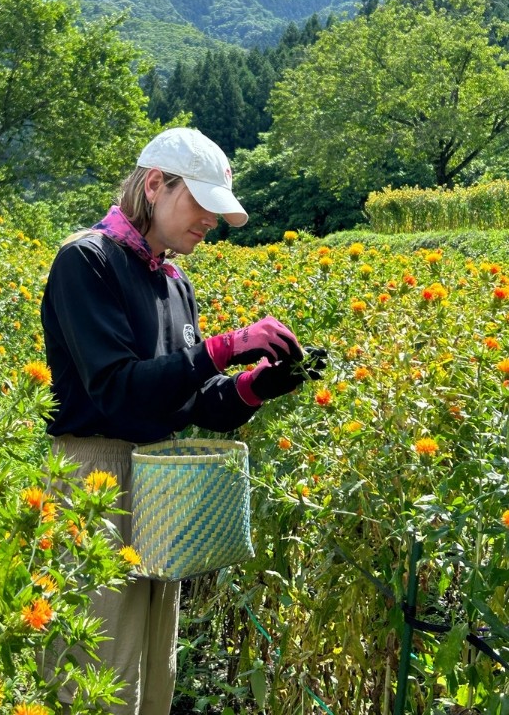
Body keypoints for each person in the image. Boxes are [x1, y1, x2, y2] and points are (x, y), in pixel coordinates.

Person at [40, 127, 326, 714]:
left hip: (157, 484)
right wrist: (223, 347)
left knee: (152, 670)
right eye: (202, 205)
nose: (211, 223)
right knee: (97, 673)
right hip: (93, 478)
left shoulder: (173, 281)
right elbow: (118, 391)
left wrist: (260, 382)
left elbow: (195, 400)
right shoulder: (85, 261)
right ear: (155, 185)